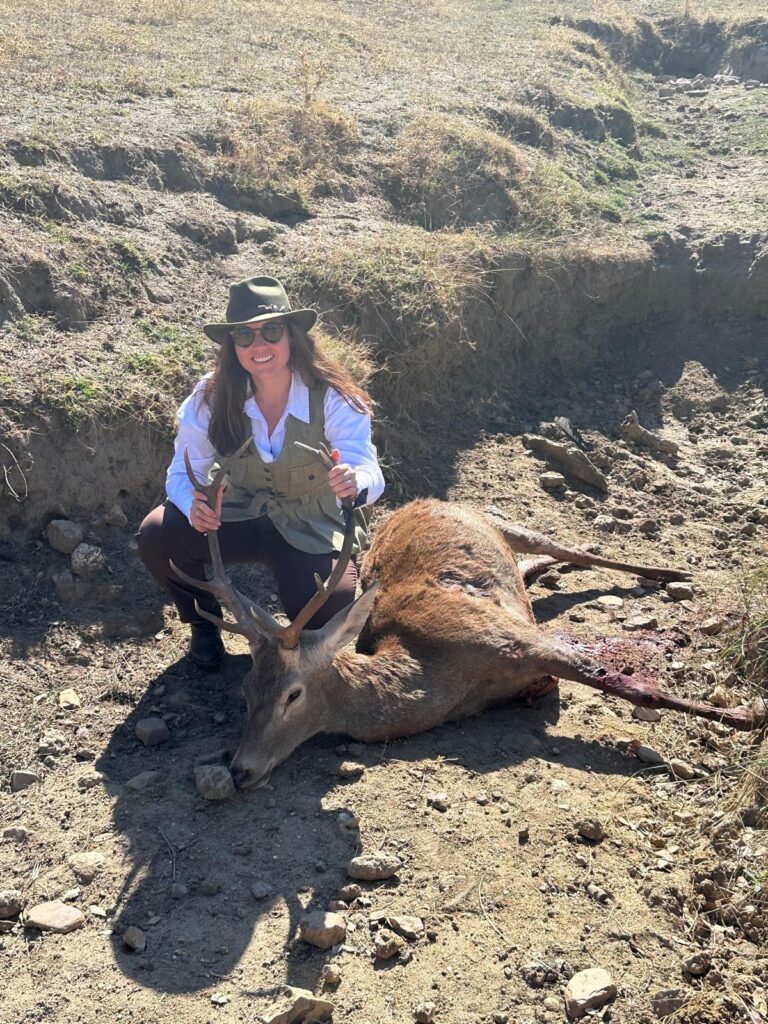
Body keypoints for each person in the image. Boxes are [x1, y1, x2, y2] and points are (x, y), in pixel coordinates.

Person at [136, 275, 384, 669]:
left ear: (291, 336)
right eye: (244, 336)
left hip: (311, 524)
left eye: (271, 331)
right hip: (238, 515)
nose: (259, 345)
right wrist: (193, 504)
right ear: (232, 345)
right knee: (157, 534)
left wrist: (355, 482)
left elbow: (365, 465)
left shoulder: (334, 396)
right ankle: (202, 626)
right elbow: (182, 472)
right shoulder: (211, 396)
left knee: (328, 608)